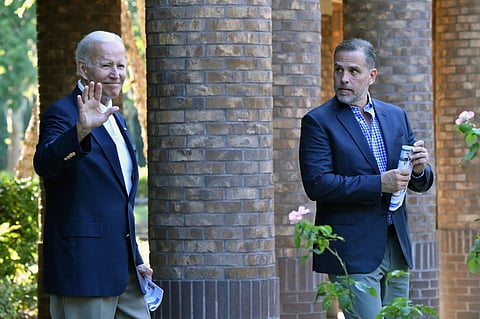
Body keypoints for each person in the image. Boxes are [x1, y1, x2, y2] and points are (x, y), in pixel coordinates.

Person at [299, 38, 434, 319]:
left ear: (371, 75)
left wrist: (420, 171)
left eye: (353, 71)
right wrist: (378, 184)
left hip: (396, 245)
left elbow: (418, 181)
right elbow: (317, 184)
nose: (343, 78)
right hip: (352, 249)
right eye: (338, 70)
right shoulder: (318, 121)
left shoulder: (396, 116)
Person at [34, 30, 152, 319]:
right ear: (82, 69)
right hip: (84, 270)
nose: (116, 74)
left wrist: (134, 258)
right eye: (106, 65)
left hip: (124, 271)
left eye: (121, 66)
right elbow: (44, 164)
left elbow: (117, 198)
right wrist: (80, 131)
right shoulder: (63, 113)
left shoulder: (117, 118)